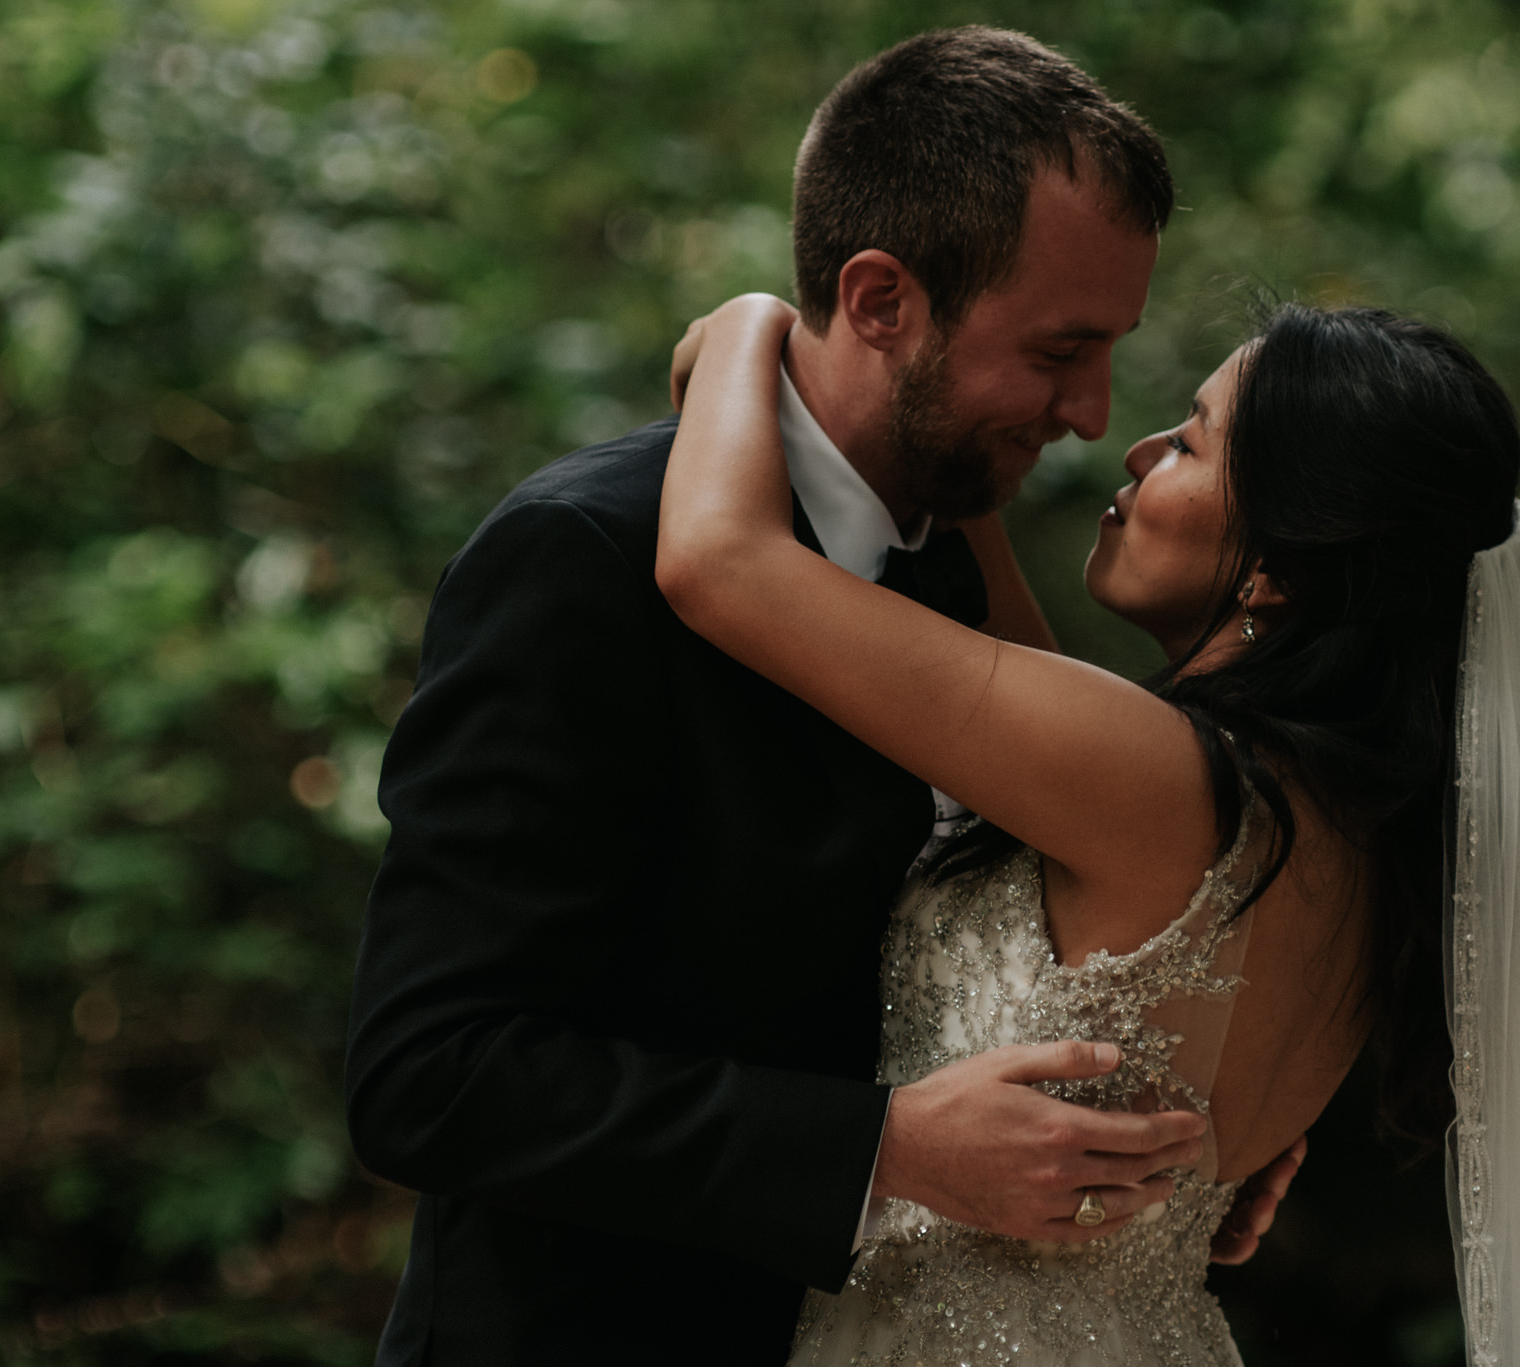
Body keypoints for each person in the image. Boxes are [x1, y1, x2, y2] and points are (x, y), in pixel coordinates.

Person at [343, 28, 1298, 1367]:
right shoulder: (584, 558)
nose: (1091, 414)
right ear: (882, 298)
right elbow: (429, 1078)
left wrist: (1198, 1113)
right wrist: (885, 1147)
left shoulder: (964, 571)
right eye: (1057, 350)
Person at [659, 293, 1520, 1364]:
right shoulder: (1350, 845)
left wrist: (746, 323)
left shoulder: (1152, 779)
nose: (1133, 450)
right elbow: (995, 620)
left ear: (1273, 566)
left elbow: (718, 562)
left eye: (1185, 440)